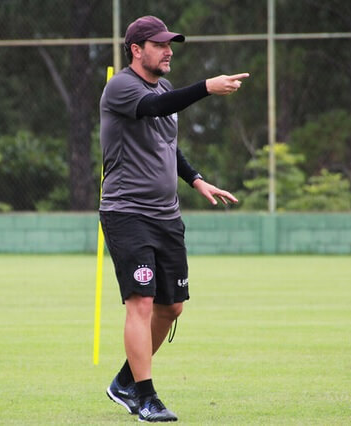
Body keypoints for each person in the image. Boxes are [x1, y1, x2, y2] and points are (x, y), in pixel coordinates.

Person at [99, 15, 249, 423]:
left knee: (172, 308)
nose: (168, 51)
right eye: (160, 44)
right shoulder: (122, 88)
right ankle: (145, 397)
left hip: (167, 216)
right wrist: (206, 87)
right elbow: (155, 107)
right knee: (141, 302)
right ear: (136, 49)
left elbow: (167, 143)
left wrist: (197, 180)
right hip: (127, 212)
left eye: (170, 44)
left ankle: (124, 382)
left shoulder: (163, 85)